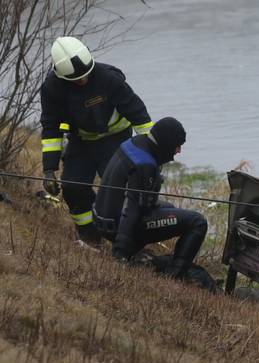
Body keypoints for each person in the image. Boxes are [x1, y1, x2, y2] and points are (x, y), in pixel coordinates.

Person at [39, 36, 154, 244]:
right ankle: (90, 236)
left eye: (85, 75)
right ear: (62, 75)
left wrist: (151, 154)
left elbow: (139, 114)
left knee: (117, 190)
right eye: (76, 79)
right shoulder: (52, 89)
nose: (83, 80)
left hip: (116, 139)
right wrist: (49, 169)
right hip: (81, 142)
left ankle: (128, 239)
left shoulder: (108, 78)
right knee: (73, 187)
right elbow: (51, 128)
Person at [92, 117, 207, 279]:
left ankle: (139, 254)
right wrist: (120, 254)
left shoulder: (135, 142)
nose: (179, 150)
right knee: (197, 221)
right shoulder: (144, 164)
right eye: (177, 145)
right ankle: (174, 276)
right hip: (115, 225)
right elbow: (132, 209)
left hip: (101, 217)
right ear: (166, 143)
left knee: (171, 209)